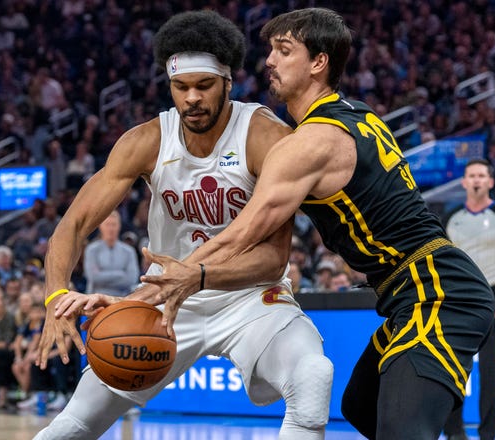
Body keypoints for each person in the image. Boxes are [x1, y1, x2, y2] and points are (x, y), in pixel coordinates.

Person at [117, 9, 495, 440]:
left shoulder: (311, 143)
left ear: (319, 62)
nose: (270, 62)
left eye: (284, 50)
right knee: (360, 405)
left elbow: (244, 231)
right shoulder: (359, 114)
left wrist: (169, 283)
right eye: (270, 51)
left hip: (437, 292)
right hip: (412, 292)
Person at [35, 10, 332, 440]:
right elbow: (74, 224)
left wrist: (197, 275)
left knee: (312, 375)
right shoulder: (148, 140)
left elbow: (272, 259)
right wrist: (55, 297)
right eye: (181, 87)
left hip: (246, 299)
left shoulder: (266, 137)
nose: (191, 97)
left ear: (228, 83)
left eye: (204, 85)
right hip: (165, 298)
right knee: (73, 424)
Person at [442, 159, 495, 440]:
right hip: (456, 301)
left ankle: (488, 434)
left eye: (481, 175)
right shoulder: (450, 217)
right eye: (471, 175)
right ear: (464, 182)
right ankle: (454, 433)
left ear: (490, 181)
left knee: (490, 373)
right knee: (452, 371)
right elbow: (440, 262)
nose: (476, 180)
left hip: (493, 297)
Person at [83, 210, 140, 297]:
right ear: (100, 226)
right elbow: (93, 277)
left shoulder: (129, 251)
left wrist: (102, 275)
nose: (111, 229)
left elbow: (131, 279)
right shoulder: (92, 250)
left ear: (119, 226)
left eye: (114, 225)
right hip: (96, 298)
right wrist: (120, 274)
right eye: (107, 225)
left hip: (122, 299)